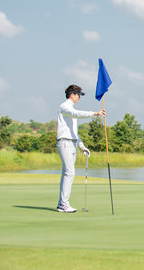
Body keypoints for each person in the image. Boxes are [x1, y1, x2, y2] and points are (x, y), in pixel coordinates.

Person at [56, 84, 105, 213]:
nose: (79, 97)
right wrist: (95, 113)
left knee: (67, 173)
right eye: (78, 95)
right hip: (64, 142)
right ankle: (63, 204)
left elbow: (74, 132)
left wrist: (82, 146)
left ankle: (62, 203)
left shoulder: (71, 111)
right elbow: (76, 113)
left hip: (72, 143)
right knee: (69, 173)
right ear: (72, 94)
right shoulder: (65, 106)